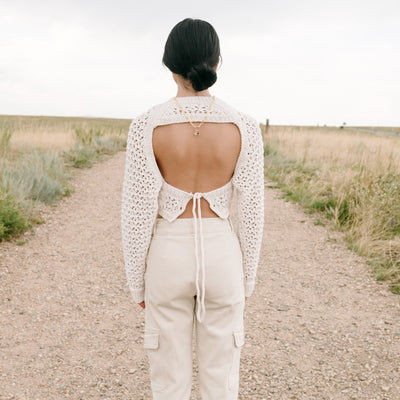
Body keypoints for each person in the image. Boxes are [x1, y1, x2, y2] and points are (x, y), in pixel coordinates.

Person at [121, 17, 264, 400]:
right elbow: (251, 209)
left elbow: (136, 212)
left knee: (169, 382)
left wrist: (137, 280)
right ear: (217, 63)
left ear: (171, 69)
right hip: (222, 255)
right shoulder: (245, 126)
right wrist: (246, 277)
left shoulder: (146, 125)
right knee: (222, 382)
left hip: (168, 256)